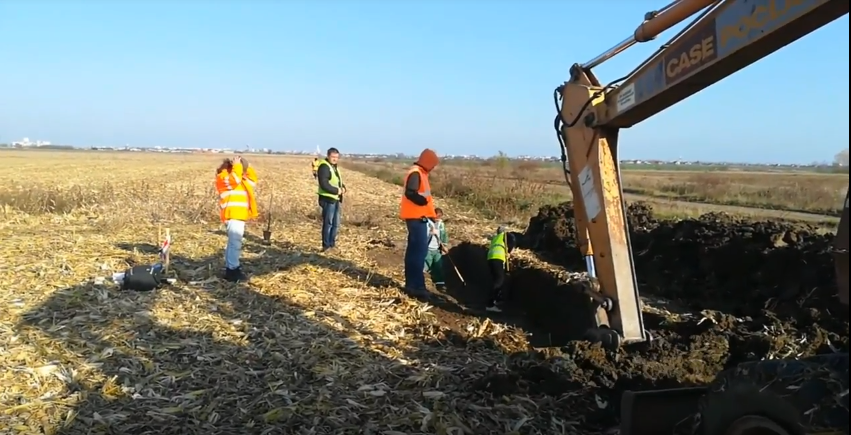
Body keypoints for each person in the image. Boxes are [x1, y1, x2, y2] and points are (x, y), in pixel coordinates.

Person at [399, 148, 440, 296]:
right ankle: (416, 286)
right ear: (427, 161)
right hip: (416, 218)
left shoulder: (420, 173)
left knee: (415, 252)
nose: (433, 167)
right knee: (418, 253)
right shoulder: (416, 173)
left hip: (419, 218)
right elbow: (411, 193)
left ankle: (413, 284)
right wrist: (422, 202)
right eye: (433, 164)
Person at [215, 156, 258, 282]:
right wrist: (238, 166)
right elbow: (234, 179)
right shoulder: (223, 178)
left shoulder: (241, 179)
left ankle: (231, 268)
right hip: (232, 215)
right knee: (235, 244)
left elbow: (253, 180)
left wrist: (247, 165)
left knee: (234, 244)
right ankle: (233, 271)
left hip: (238, 215)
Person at [316, 147, 346, 252]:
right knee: (328, 224)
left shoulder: (333, 167)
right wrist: (336, 191)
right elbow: (324, 184)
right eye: (333, 157)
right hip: (328, 199)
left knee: (335, 224)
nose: (335, 159)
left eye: (337, 157)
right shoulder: (324, 167)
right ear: (328, 156)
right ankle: (326, 246)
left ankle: (332, 244)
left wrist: (343, 187)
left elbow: (337, 181)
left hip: (335, 199)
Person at [486, 226, 518, 312]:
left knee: (496, 280)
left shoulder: (495, 238)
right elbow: (512, 244)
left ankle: (496, 299)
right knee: (499, 281)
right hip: (498, 258)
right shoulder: (507, 236)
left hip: (490, 258)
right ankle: (490, 304)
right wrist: (510, 252)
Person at [425, 208, 449, 290]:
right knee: (427, 262)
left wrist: (444, 246)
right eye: (436, 217)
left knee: (439, 264)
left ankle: (440, 283)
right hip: (428, 248)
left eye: (439, 218)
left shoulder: (441, 224)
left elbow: (444, 235)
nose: (437, 219)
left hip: (437, 249)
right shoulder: (427, 223)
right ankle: (423, 279)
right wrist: (430, 233)